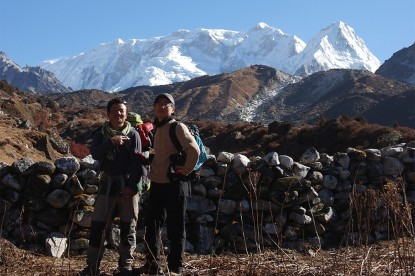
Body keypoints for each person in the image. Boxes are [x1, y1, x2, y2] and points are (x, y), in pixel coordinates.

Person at [79, 98, 144, 276]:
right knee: (98, 226)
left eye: (122, 110)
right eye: (115, 110)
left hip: (128, 188)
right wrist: (111, 142)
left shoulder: (133, 135)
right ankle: (92, 266)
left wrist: (131, 187)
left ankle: (125, 266)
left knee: (128, 228)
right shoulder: (101, 133)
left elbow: (138, 164)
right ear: (108, 114)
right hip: (107, 185)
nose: (119, 114)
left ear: (126, 113)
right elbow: (96, 153)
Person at [139, 93, 200, 275]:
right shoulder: (157, 128)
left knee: (176, 227)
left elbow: (194, 150)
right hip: (158, 182)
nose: (161, 106)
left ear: (173, 109)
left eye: (166, 104)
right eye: (158, 103)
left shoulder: (177, 127)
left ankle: (175, 268)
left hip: (174, 184)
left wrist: (185, 171)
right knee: (152, 227)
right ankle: (152, 265)